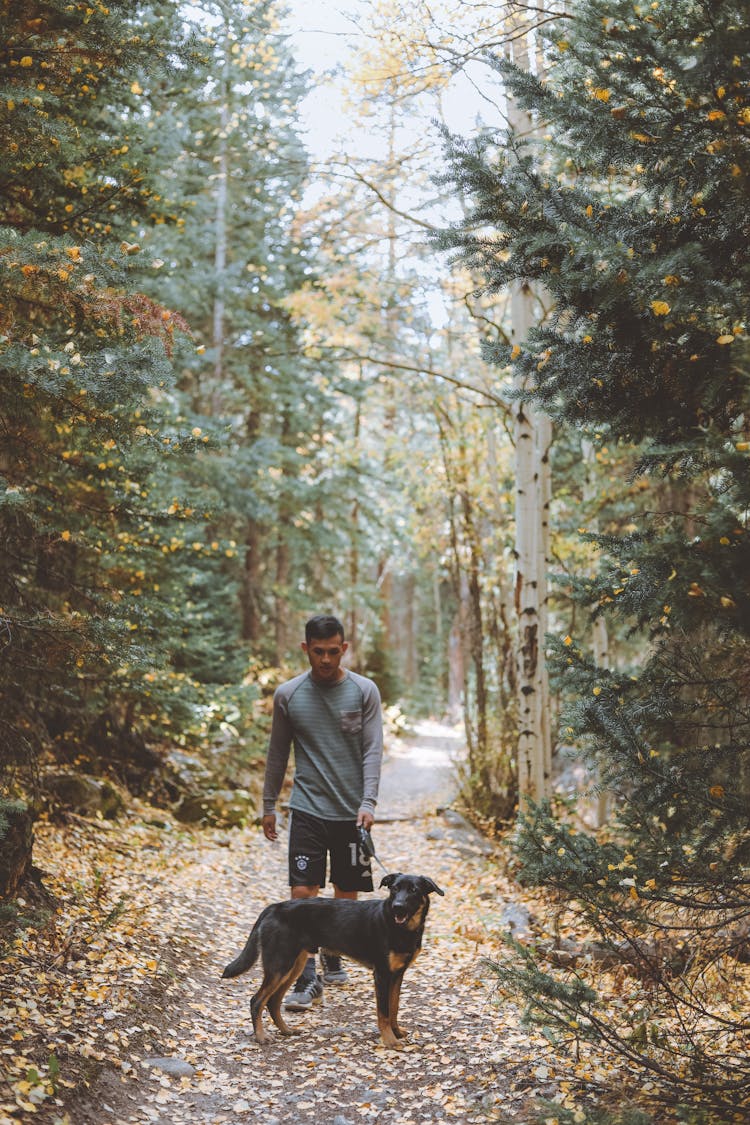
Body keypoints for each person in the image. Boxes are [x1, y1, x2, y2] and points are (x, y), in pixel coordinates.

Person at [261, 613, 383, 1010]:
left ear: (344, 648)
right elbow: (278, 754)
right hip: (307, 807)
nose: (326, 660)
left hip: (351, 813)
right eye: (319, 652)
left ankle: (333, 953)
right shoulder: (289, 695)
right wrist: (268, 806)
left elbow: (372, 751)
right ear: (306, 649)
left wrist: (368, 803)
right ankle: (309, 979)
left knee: (345, 898)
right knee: (302, 893)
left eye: (334, 651)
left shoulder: (364, 691)